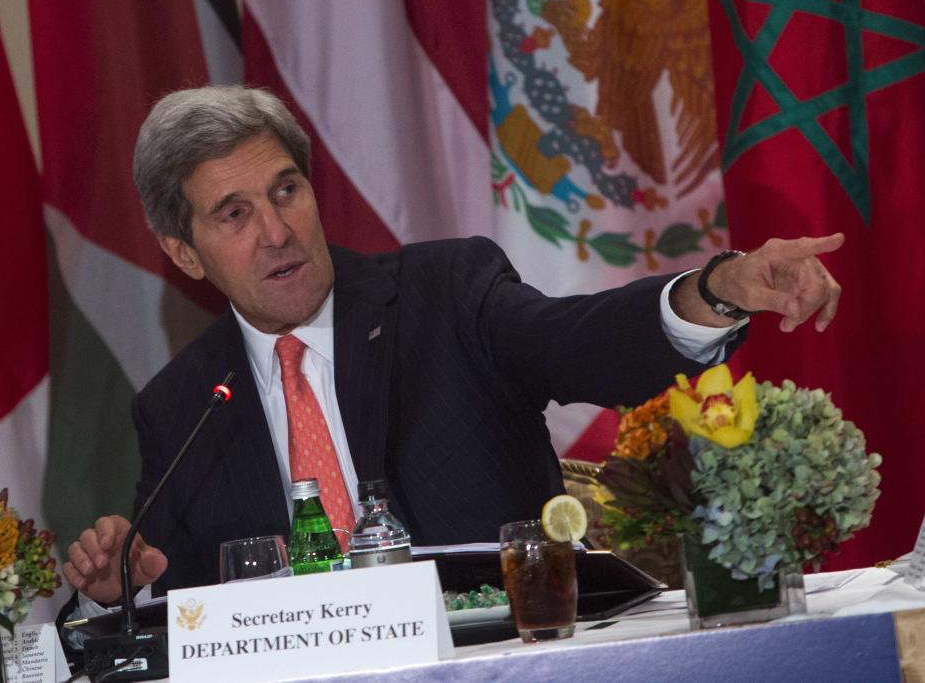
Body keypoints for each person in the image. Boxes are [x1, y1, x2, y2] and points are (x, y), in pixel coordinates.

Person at [61, 86, 842, 611]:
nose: (276, 230)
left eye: (286, 190)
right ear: (185, 253)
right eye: (233, 214)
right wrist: (126, 581)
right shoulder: (179, 407)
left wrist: (720, 287)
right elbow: (199, 600)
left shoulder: (445, 294)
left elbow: (579, 345)